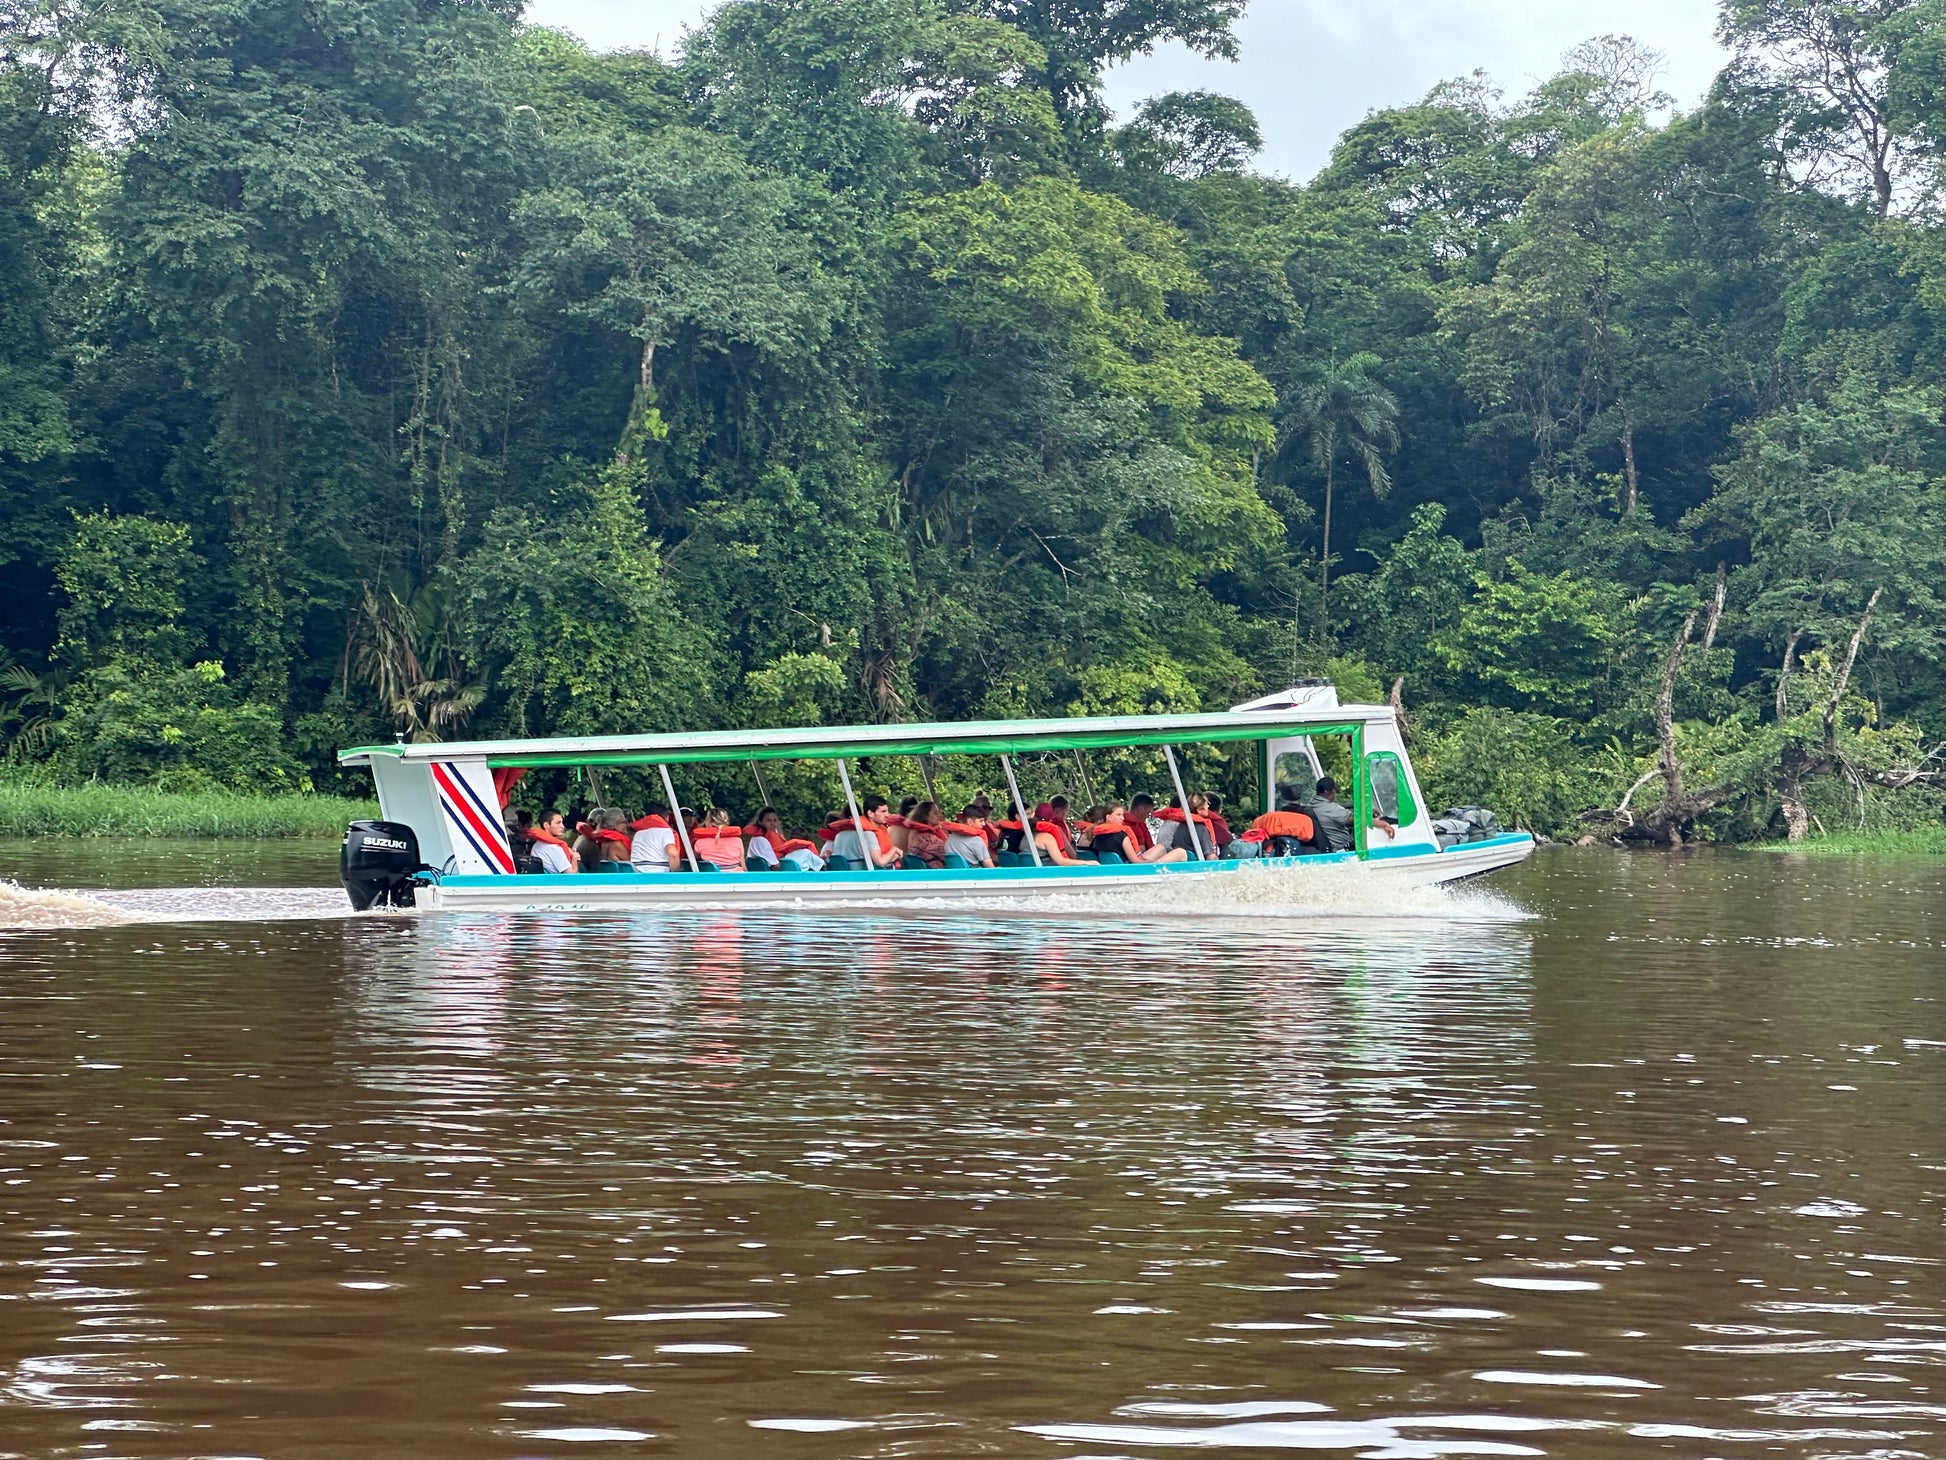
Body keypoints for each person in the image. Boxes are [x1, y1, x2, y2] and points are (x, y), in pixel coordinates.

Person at [1093, 804, 1188, 864]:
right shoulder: (1121, 835)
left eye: (1122, 815)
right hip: (1131, 868)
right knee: (1181, 852)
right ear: (1108, 817)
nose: (1122, 818)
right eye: (1118, 815)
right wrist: (1152, 862)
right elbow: (1136, 862)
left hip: (1120, 865)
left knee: (1161, 847)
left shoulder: (1097, 835)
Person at [830, 794, 900, 868]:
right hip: (864, 877)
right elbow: (880, 862)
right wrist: (894, 850)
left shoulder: (840, 835)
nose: (887, 815)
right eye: (883, 811)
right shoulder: (868, 835)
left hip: (842, 878)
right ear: (870, 813)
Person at [747, 807, 825, 871]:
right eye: (768, 820)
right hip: (773, 876)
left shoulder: (755, 839)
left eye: (774, 820)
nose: (772, 823)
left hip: (766, 874)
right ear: (760, 822)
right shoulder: (761, 840)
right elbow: (775, 866)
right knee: (805, 853)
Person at [1153, 793, 1217, 858]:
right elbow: (1210, 855)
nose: (1208, 807)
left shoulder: (1181, 824)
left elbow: (1175, 844)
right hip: (1191, 863)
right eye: (1207, 804)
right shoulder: (1201, 827)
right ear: (1200, 809)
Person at [1305, 777, 1355, 852]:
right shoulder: (1330, 808)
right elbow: (1354, 820)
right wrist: (1368, 813)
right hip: (1341, 849)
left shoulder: (1310, 806)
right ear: (1331, 792)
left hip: (1325, 848)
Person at [691, 806, 748, 872]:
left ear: (708, 822)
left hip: (712, 878)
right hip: (735, 877)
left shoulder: (700, 842)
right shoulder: (737, 840)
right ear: (726, 821)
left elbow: (695, 858)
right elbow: (743, 866)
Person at [630, 804, 681, 873]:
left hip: (636, 873)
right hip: (657, 874)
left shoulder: (638, 834)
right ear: (667, 817)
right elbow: (673, 854)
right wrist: (676, 873)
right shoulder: (666, 832)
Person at [529, 809, 578, 874]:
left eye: (562, 823)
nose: (562, 826)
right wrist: (574, 857)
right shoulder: (554, 848)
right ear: (546, 825)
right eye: (558, 823)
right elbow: (571, 875)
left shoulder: (537, 845)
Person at [904, 800, 947, 868]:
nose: (939, 815)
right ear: (925, 816)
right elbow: (947, 855)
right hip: (936, 873)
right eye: (935, 813)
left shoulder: (913, 833)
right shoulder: (928, 838)